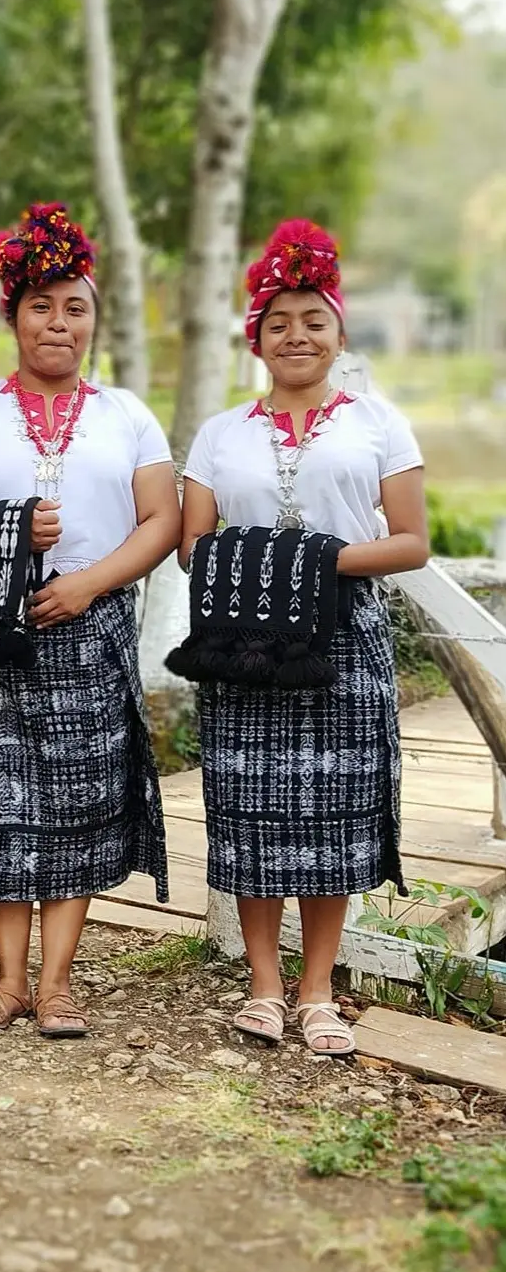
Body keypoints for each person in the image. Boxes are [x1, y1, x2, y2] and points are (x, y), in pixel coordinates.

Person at [0, 202, 178, 1036]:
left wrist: (89, 582)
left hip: (89, 626)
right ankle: (7, 980)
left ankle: (57, 984)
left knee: (76, 803)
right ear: (11, 315)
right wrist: (4, 529)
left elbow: (160, 519)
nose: (58, 323)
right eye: (40, 306)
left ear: (93, 318)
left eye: (74, 307)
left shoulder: (126, 413)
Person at [179, 219, 429, 1057]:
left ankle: (316, 989)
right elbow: (190, 544)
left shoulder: (379, 423)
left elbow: (409, 540)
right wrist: (279, 568)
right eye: (277, 322)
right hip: (242, 639)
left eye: (311, 320)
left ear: (337, 331)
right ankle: (260, 983)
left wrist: (310, 561)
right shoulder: (221, 433)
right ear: (255, 336)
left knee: (331, 813)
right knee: (250, 807)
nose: (295, 335)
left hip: (345, 632)